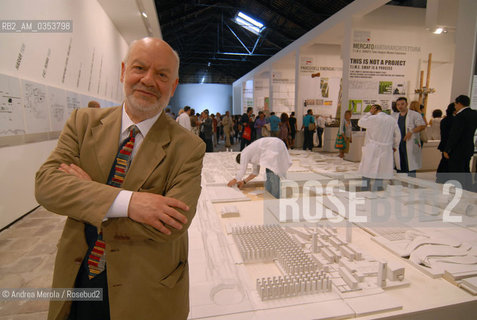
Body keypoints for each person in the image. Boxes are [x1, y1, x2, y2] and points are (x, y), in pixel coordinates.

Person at [35, 37, 205, 320]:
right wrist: (129, 203)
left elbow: (173, 222)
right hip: (80, 277)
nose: (148, 81)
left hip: (145, 287)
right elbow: (46, 185)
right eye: (140, 68)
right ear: (124, 72)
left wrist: (86, 196)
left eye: (162, 75)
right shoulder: (82, 123)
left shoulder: (188, 147)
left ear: (173, 86)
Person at [227, 137, 292, 197]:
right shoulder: (252, 156)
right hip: (272, 147)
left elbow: (242, 170)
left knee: (272, 171)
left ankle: (275, 197)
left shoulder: (244, 153)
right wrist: (243, 182)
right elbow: (255, 173)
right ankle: (271, 194)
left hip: (274, 145)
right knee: (269, 171)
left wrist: (235, 179)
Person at [358, 105, 401, 191]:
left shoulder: (373, 118)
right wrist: (395, 146)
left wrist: (369, 113)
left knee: (367, 167)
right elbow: (398, 135)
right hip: (386, 147)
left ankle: (365, 187)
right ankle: (378, 186)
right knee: (382, 168)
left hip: (372, 147)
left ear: (375, 109)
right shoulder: (391, 120)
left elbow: (360, 122)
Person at [443, 95, 477, 190]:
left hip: (458, 149)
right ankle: (468, 189)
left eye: (455, 104)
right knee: (466, 169)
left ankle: (459, 190)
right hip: (469, 146)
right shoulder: (474, 114)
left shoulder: (460, 116)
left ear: (459, 103)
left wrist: (447, 149)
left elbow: (455, 135)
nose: (455, 106)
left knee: (457, 171)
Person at [392, 97, 426, 177]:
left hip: (410, 142)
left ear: (407, 104)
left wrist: (411, 132)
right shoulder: (395, 116)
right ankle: (401, 184)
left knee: (410, 165)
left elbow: (422, 126)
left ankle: (411, 184)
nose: (400, 106)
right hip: (398, 144)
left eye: (402, 104)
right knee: (399, 164)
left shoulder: (414, 114)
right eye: (398, 105)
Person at [436, 103, 455, 183]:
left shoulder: (445, 120)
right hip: (449, 144)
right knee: (447, 162)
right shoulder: (454, 120)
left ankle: (440, 177)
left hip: (444, 143)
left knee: (444, 161)